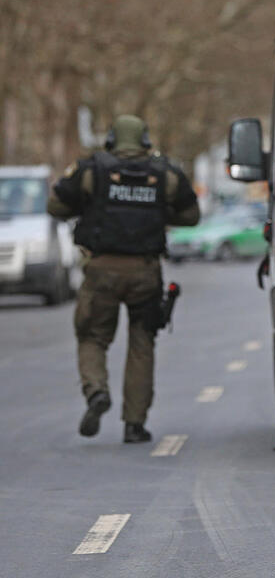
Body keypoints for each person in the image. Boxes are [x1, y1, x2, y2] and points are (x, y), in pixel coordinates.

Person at [48, 115, 200, 443]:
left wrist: (92, 207)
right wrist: (159, 212)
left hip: (101, 269)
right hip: (145, 271)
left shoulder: (91, 170)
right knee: (142, 345)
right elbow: (191, 215)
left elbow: (56, 206)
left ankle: (96, 392)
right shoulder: (166, 173)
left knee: (92, 337)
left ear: (112, 138)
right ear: (145, 139)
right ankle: (134, 424)